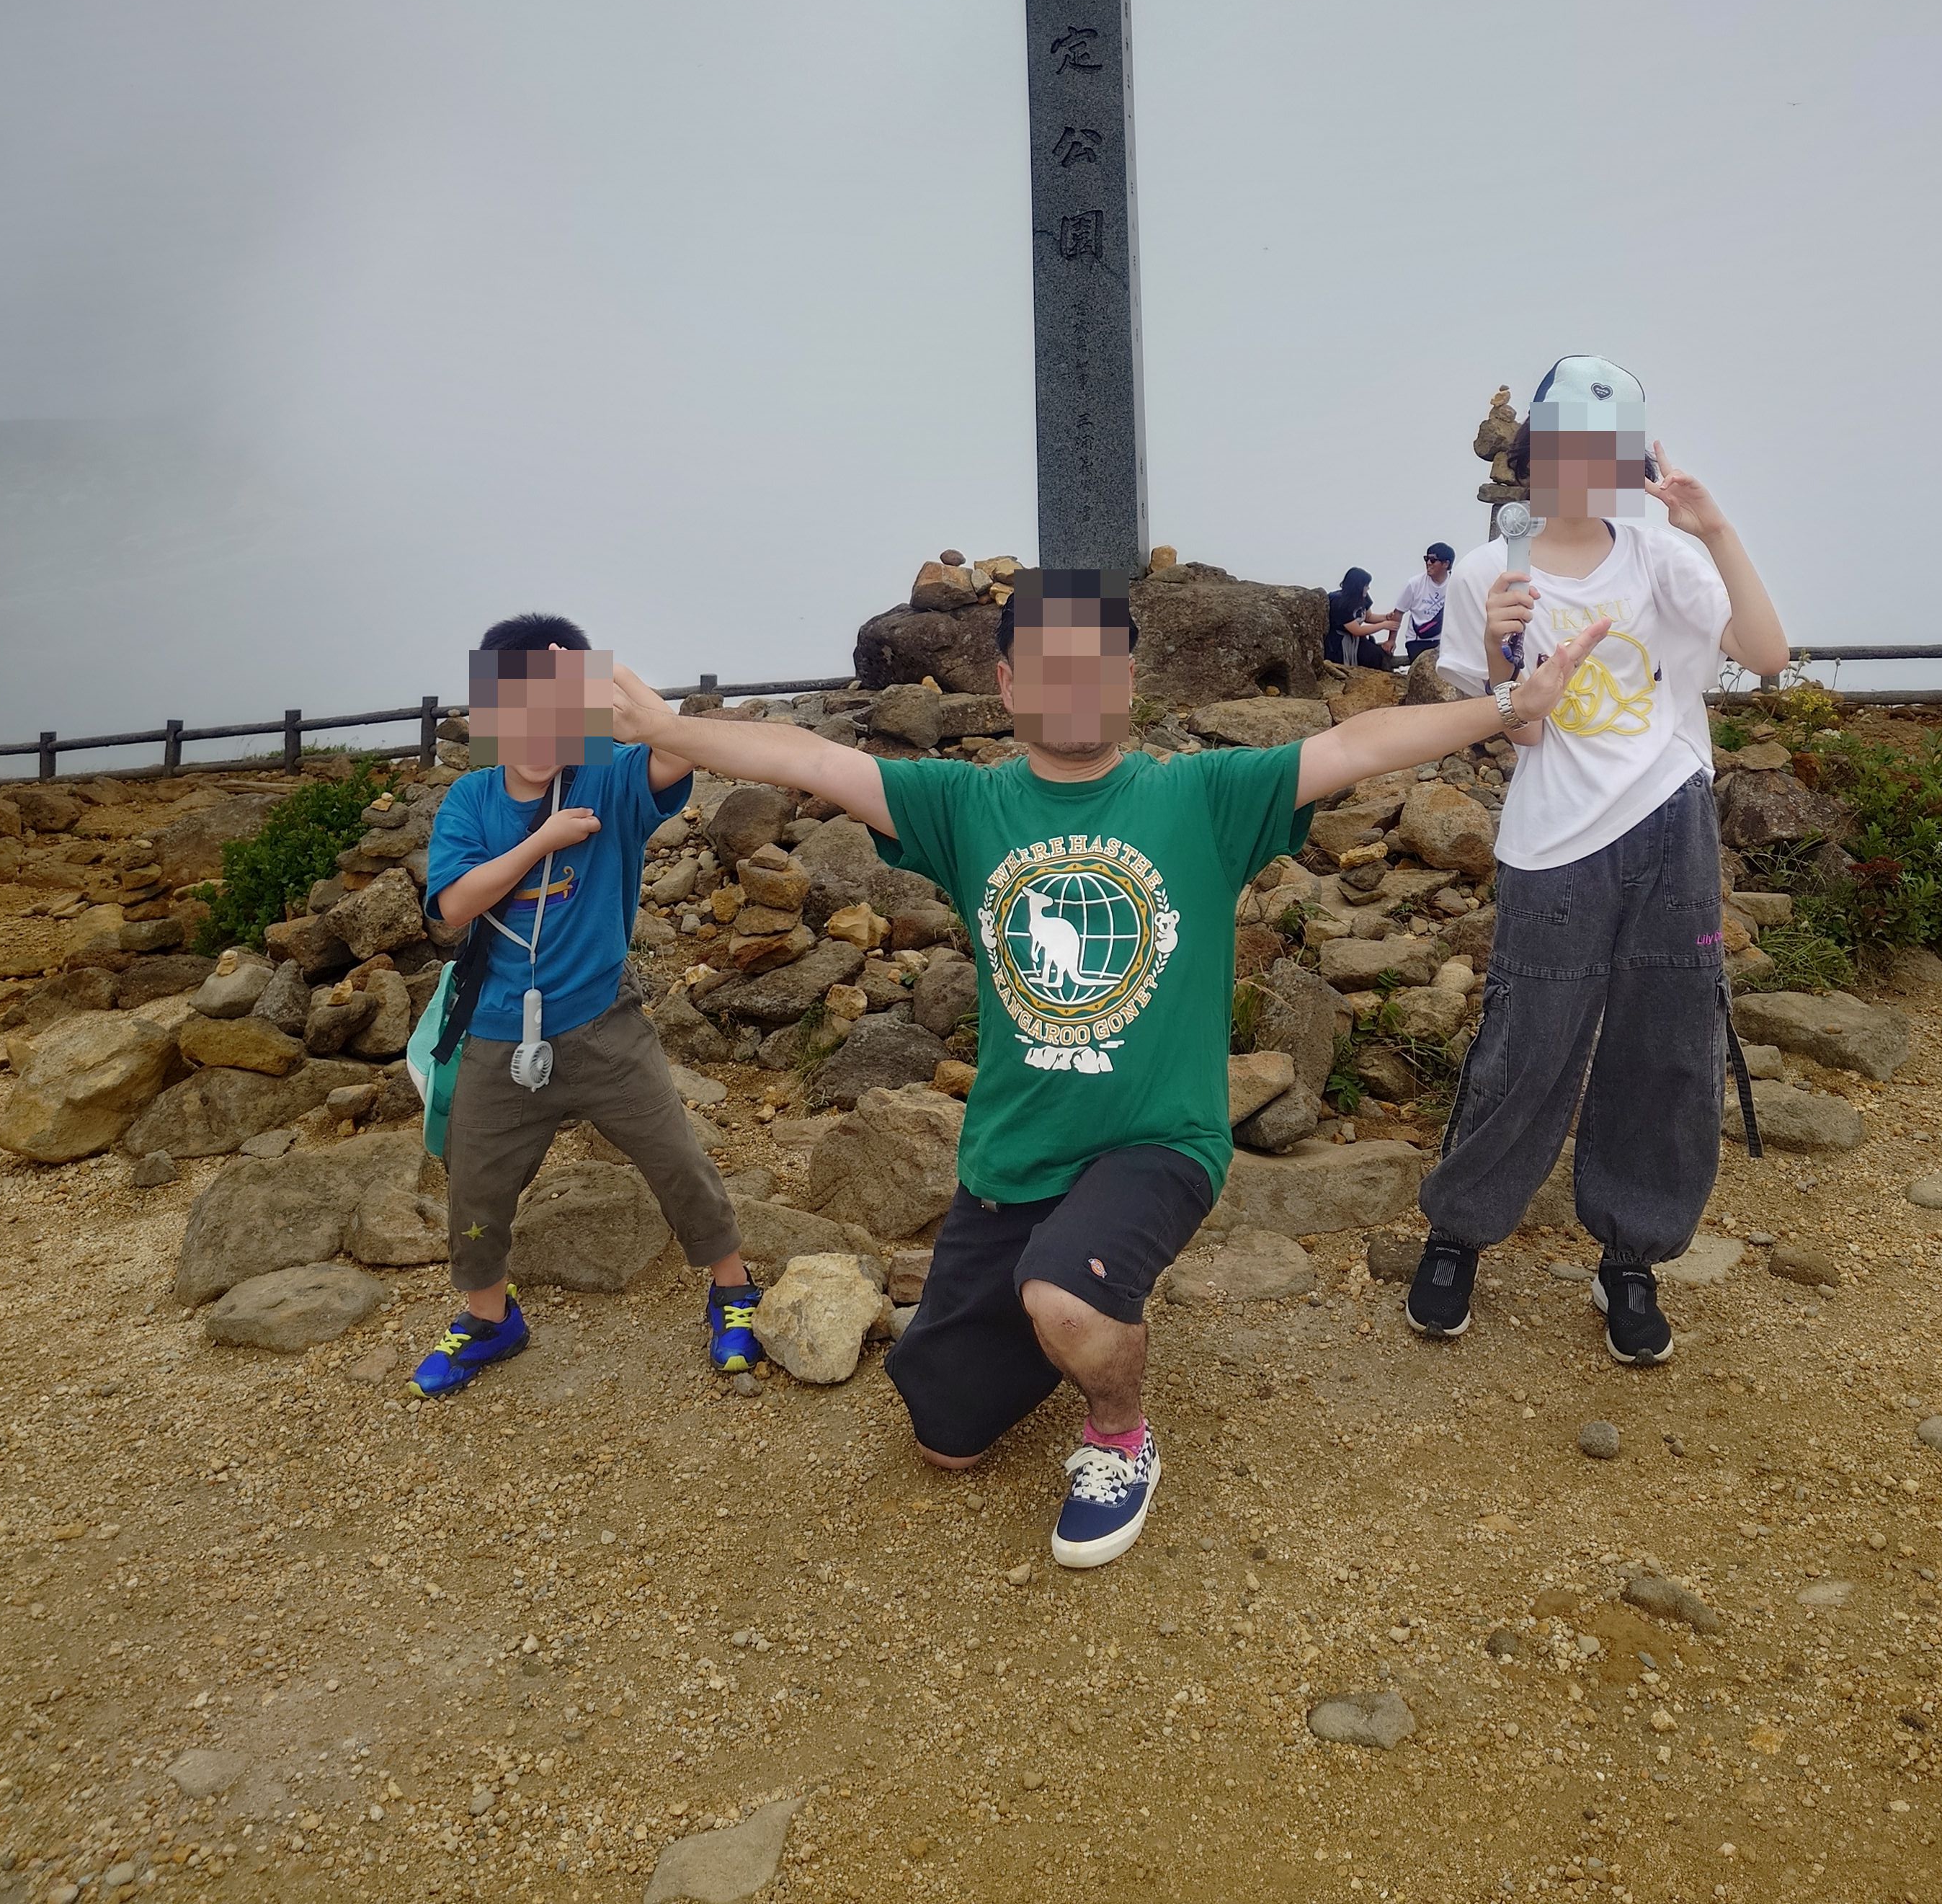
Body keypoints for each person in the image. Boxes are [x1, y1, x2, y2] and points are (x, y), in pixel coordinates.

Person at [607, 574, 1606, 1568]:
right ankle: (1058, 1308)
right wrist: (667, 728)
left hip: (1157, 1139)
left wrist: (1508, 707)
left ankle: (1118, 1433)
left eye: (1098, 665)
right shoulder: (962, 804)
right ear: (1008, 683)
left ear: (1129, 678)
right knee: (947, 1440)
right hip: (1013, 1155)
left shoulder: (1203, 796)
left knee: (1067, 1297)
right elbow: (813, 758)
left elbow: (1355, 745)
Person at [1403, 357, 1789, 1368]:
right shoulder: (1491, 571)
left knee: (1665, 1044)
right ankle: (1459, 1231)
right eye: (1563, 447)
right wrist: (1501, 654)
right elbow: (1521, 733)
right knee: (1527, 1040)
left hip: (1671, 820)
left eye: (1603, 450)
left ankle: (1630, 1256)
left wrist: (1714, 527)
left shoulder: (1663, 556)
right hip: (1553, 838)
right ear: (1530, 456)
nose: (1581, 468)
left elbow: (1767, 654)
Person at [406, 615, 762, 1400]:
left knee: (676, 1159)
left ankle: (733, 1288)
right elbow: (454, 907)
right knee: (476, 1187)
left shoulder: (608, 776)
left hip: (604, 1023)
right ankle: (489, 1319)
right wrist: (542, 841)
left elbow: (680, 745)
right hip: (496, 1032)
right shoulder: (469, 798)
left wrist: (604, 673)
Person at [1377, 544, 1455, 665]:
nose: (1428, 563)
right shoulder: (1414, 584)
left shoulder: (1455, 584)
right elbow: (1399, 612)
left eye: (1433, 560)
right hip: (1417, 640)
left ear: (1446, 564)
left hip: (1444, 640)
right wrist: (1391, 640)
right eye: (1426, 559)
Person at [1324, 566, 1384, 669]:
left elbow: (1368, 617)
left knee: (1376, 654)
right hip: (1339, 642)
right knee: (1366, 657)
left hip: (1356, 639)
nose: (1368, 588)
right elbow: (1357, 631)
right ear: (1358, 586)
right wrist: (1384, 625)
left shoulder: (1363, 597)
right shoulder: (1340, 603)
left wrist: (1386, 617)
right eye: (1366, 585)